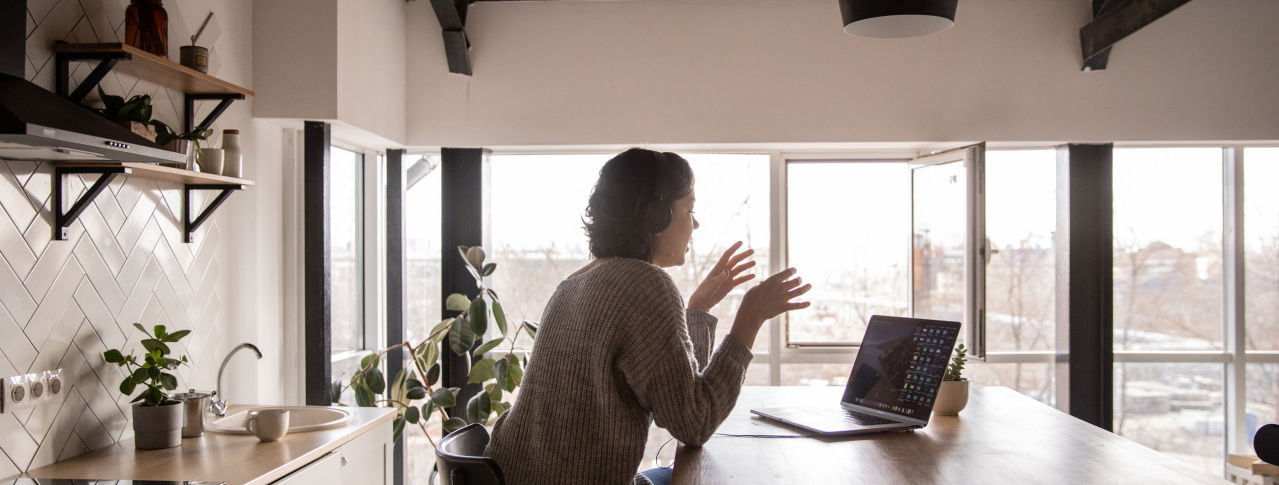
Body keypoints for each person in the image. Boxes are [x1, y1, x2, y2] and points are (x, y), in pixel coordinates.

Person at [484, 148, 813, 484]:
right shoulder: (645, 284)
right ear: (656, 215)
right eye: (689, 208)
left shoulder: (575, 282)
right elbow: (695, 424)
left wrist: (697, 312)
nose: (695, 223)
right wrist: (751, 318)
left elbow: (676, 398)